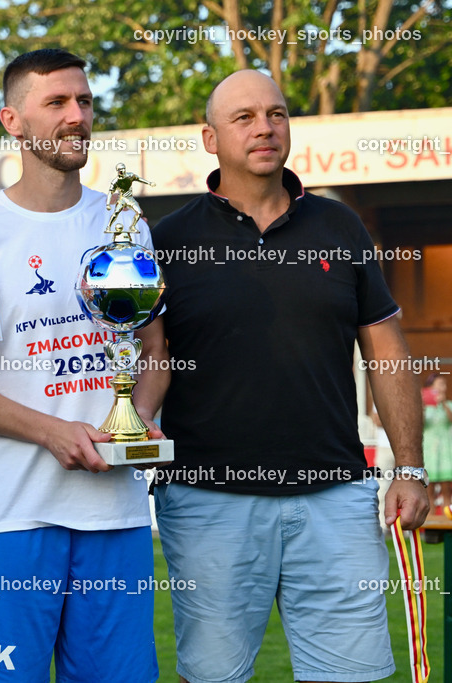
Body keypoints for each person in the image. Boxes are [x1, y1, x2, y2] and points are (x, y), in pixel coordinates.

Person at [132, 69, 429, 683]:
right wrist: (132, 430)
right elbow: (151, 357)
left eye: (276, 114)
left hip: (336, 497)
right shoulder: (166, 240)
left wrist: (410, 466)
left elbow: (387, 351)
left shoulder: (340, 226)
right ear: (210, 138)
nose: (264, 128)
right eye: (243, 117)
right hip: (208, 502)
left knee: (352, 677)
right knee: (213, 678)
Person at [0, 48, 158, 682]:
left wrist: (138, 417)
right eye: (55, 102)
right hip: (13, 512)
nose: (75, 115)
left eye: (84, 101)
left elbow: (155, 348)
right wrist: (52, 432)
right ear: (13, 121)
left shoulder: (124, 224)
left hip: (115, 511)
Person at [422, 374, 452, 511]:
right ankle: (430, 521)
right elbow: (421, 424)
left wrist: (444, 403)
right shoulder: (424, 407)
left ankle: (447, 519)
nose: (443, 387)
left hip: (445, 451)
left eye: (444, 384)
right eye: (440, 384)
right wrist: (422, 406)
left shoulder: (449, 404)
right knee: (429, 490)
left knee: (446, 490)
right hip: (429, 452)